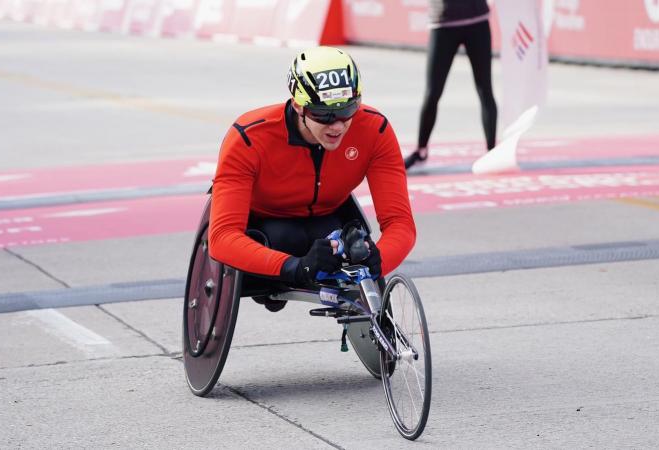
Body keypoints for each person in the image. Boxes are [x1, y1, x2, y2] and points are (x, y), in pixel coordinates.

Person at [208, 46, 416, 312]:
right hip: (266, 225)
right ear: (298, 105)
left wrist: (379, 261)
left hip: (329, 216)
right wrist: (294, 267)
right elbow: (222, 237)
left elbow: (401, 224)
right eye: (323, 114)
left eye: (347, 110)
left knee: (356, 248)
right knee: (287, 236)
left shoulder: (375, 130)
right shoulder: (249, 137)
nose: (337, 125)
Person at [404, 0, 498, 169]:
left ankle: (492, 152)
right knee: (433, 92)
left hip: (477, 20)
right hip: (443, 22)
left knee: (485, 89)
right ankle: (421, 150)